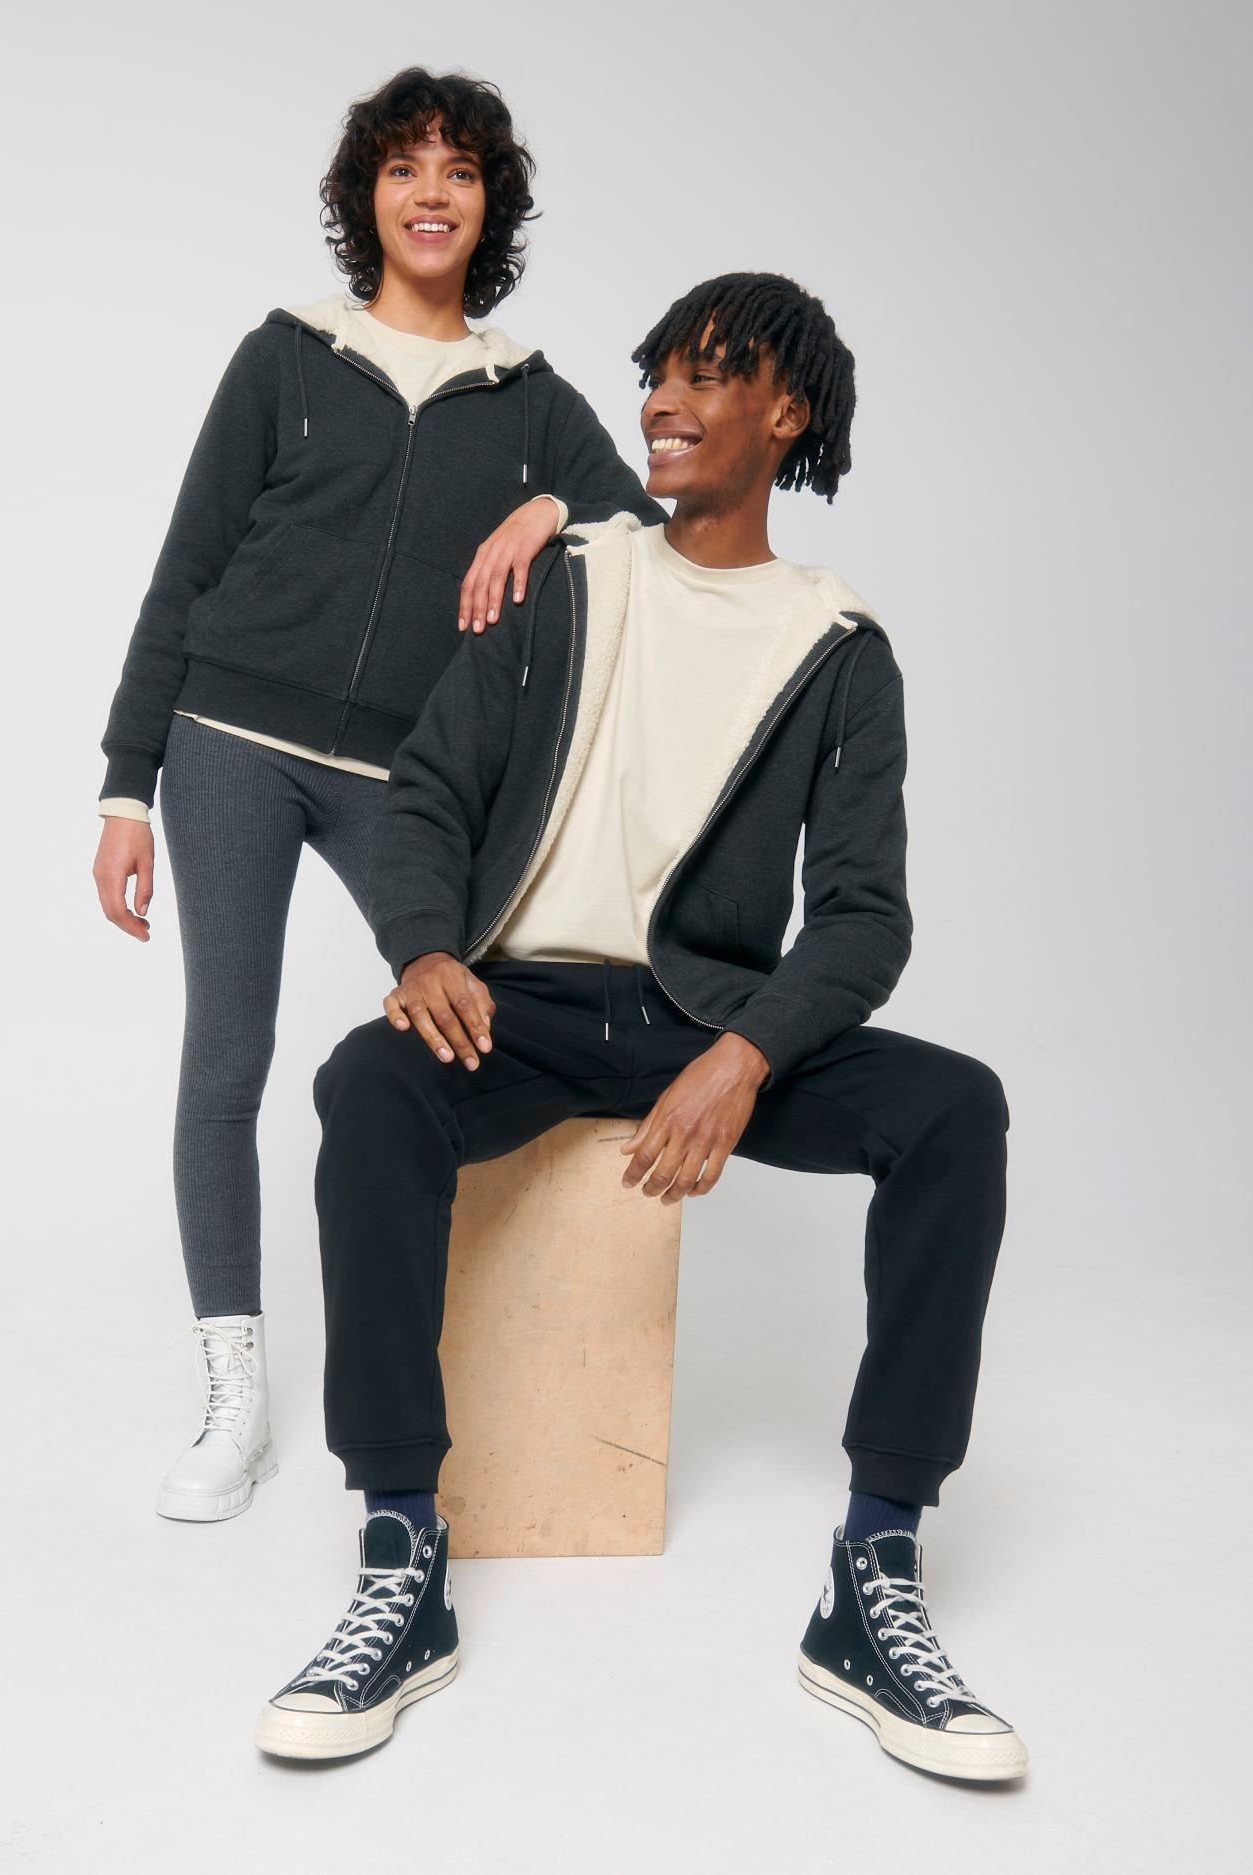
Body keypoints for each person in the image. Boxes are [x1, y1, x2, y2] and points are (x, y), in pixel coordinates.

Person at [254, 272, 1027, 1781]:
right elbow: (429, 792)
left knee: (954, 1110)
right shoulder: (571, 582)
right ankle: (401, 1545)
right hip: (520, 1007)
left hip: (705, 1022)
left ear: (786, 413)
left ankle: (876, 1566)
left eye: (708, 374)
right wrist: (423, 945)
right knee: (367, 1084)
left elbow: (862, 916)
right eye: (657, 374)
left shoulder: (836, 643)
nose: (663, 402)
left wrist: (747, 1055)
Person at [91, 68, 662, 1522]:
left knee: (483, 1012)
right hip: (231, 740)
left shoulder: (531, 399)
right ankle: (235, 1395)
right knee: (229, 1056)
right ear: (367, 196)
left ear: (490, 207)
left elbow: (647, 521)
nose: (430, 193)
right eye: (404, 167)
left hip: (405, 778)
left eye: (458, 171)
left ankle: (496, 1355)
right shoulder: (286, 358)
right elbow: (186, 571)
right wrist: (124, 787)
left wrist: (552, 505)